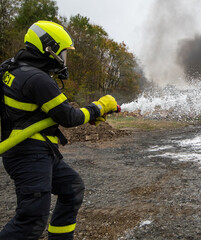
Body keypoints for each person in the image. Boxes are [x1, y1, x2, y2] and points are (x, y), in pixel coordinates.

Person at [0, 20, 118, 239]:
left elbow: (42, 112)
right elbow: (69, 117)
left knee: (71, 189)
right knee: (31, 220)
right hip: (29, 155)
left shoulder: (16, 67)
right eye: (63, 53)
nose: (64, 60)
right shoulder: (38, 79)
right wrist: (100, 106)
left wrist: (91, 113)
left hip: (36, 150)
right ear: (49, 50)